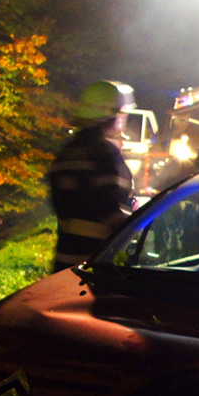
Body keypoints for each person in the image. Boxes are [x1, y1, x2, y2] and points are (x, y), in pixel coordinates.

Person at [47, 80, 137, 273]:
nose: (123, 119)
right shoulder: (104, 153)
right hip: (95, 267)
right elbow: (112, 213)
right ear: (111, 115)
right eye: (122, 113)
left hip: (64, 263)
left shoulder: (66, 153)